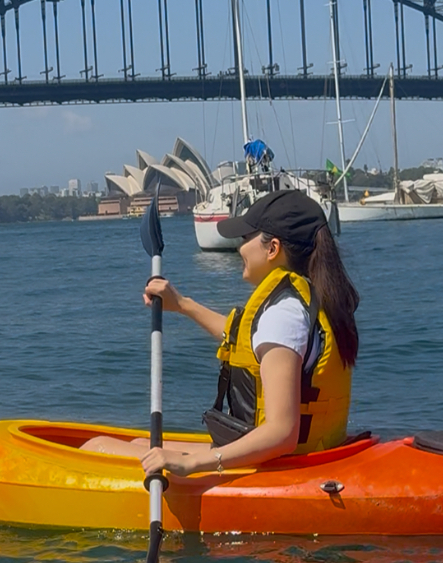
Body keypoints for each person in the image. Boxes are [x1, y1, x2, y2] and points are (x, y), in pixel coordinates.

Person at [82, 190, 359, 477]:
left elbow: (282, 432)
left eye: (244, 238)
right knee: (141, 443)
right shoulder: (307, 298)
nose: (239, 248)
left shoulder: (283, 314)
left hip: (276, 463)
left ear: (272, 248)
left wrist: (194, 463)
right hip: (300, 455)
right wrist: (183, 305)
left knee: (96, 448)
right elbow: (244, 338)